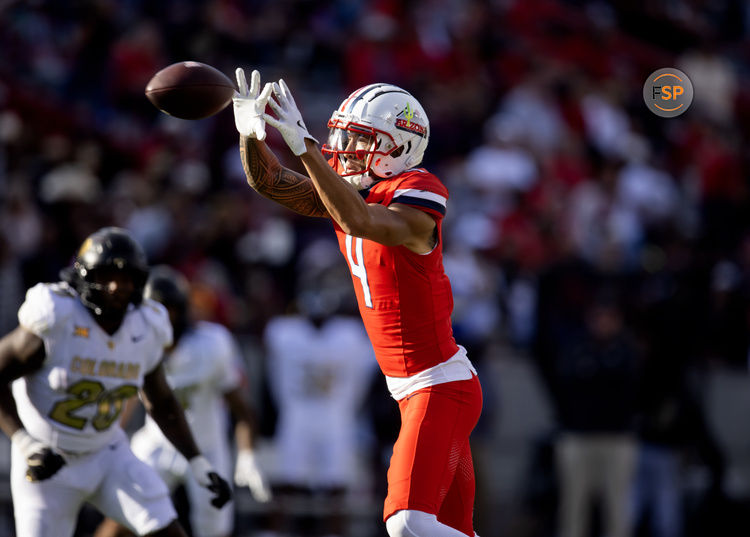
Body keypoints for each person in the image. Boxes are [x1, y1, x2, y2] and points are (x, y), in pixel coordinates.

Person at [232, 70, 483, 537]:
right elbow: (272, 183)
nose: (344, 146)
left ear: (400, 147)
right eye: (341, 135)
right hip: (415, 389)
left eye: (360, 138)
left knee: (407, 524)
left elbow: (361, 219)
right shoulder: (353, 191)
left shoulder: (418, 192)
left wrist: (305, 147)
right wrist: (252, 136)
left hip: (438, 386)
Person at [0, 227, 231, 537]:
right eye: (106, 275)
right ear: (83, 276)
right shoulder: (58, 317)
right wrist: (25, 441)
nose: (116, 287)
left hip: (107, 451)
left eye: (126, 278)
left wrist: (197, 460)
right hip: (49, 458)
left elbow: (161, 400)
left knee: (167, 530)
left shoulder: (146, 325)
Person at [94, 265, 271, 537]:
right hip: (158, 444)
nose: (161, 319)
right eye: (155, 310)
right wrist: (103, 444)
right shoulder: (136, 341)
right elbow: (126, 399)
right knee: (124, 517)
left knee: (213, 530)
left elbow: (242, 408)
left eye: (168, 310)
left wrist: (248, 453)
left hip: (206, 448)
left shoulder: (212, 344)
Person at [264, 276, 377, 536]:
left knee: (336, 487)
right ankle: (273, 531)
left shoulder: (349, 335)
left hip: (335, 416)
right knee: (286, 482)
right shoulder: (285, 332)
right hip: (298, 414)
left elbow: (371, 367)